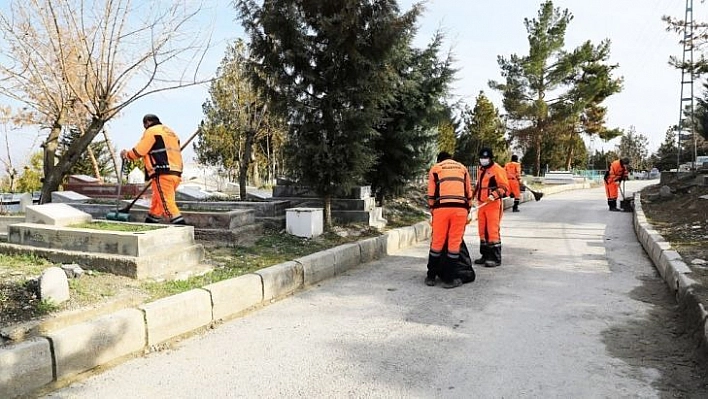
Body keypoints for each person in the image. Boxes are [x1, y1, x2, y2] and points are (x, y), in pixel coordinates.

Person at [120, 114, 186, 225]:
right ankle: (150, 223)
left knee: (167, 203)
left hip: (162, 172)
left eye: (144, 125)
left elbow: (140, 151)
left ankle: (184, 229)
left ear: (147, 122)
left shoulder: (151, 131)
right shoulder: (171, 133)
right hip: (176, 173)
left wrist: (127, 155)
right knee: (158, 202)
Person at [425, 151, 474, 289]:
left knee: (437, 242)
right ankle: (449, 280)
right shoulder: (462, 168)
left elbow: (431, 193)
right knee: (454, 244)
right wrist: (468, 209)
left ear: (439, 159)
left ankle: (431, 277)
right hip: (460, 210)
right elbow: (468, 191)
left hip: (442, 209)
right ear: (451, 159)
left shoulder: (436, 168)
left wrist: (433, 210)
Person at [473, 147, 509, 267]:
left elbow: (504, 187)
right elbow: (479, 186)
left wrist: (494, 195)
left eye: (486, 158)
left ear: (490, 158)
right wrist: (472, 197)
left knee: (492, 231)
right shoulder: (481, 169)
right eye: (482, 158)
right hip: (481, 204)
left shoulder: (497, 170)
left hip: (493, 204)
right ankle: (485, 255)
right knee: (482, 231)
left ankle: (495, 258)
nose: (483, 160)